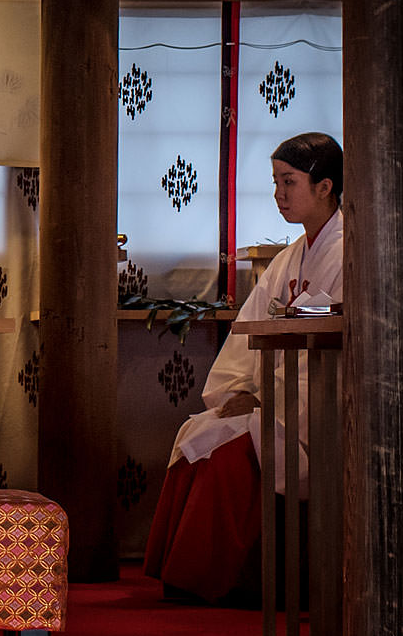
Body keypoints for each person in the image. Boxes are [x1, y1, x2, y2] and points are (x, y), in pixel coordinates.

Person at [142, 133, 343, 601]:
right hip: (274, 396)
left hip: (317, 409)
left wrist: (262, 399)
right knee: (198, 432)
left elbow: (334, 350)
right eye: (275, 182)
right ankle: (182, 574)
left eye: (289, 182)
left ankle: (222, 582)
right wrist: (239, 390)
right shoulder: (289, 258)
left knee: (230, 452)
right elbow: (248, 334)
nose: (279, 194)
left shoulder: (350, 251)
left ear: (325, 186)